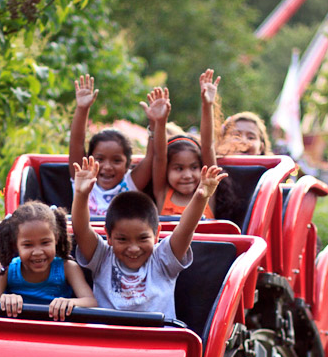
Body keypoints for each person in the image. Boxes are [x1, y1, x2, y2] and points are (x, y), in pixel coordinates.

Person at [72, 156, 226, 320]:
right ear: (108, 237)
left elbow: (185, 229)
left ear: (156, 234)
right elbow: (81, 229)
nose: (133, 248)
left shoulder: (163, 259)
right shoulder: (102, 258)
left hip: (157, 341)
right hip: (109, 340)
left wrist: (201, 198)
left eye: (142, 239)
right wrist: (81, 194)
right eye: (122, 239)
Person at [68, 74, 169, 215]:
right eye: (100, 159)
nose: (107, 167)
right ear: (88, 159)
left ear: (128, 164)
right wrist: (82, 108)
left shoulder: (130, 183)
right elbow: (76, 142)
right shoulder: (83, 177)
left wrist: (155, 122)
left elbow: (153, 156)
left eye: (116, 160)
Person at [0, 201, 96, 320]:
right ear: (15, 244)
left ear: (56, 238)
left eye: (45, 243)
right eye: (28, 245)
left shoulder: (68, 267)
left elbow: (91, 302)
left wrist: (70, 303)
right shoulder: (5, 269)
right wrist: (4, 302)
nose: (38, 252)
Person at [153, 70, 221, 217]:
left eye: (194, 167)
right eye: (179, 168)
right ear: (166, 171)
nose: (187, 175)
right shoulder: (163, 193)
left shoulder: (207, 192)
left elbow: (208, 146)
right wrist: (160, 121)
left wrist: (207, 105)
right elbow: (159, 156)